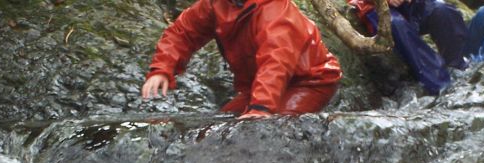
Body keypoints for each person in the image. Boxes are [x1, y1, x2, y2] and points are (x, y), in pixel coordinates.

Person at [141, 0, 342, 118]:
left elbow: (276, 62)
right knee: (220, 125)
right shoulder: (216, 4)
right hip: (256, 85)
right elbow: (183, 32)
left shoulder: (275, 11)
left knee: (272, 130)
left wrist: (260, 108)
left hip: (309, 81)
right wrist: (161, 69)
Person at [347, 0, 468, 94]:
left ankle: (458, 69)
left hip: (413, 5)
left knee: (443, 10)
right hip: (373, 6)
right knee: (397, 25)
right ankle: (439, 83)